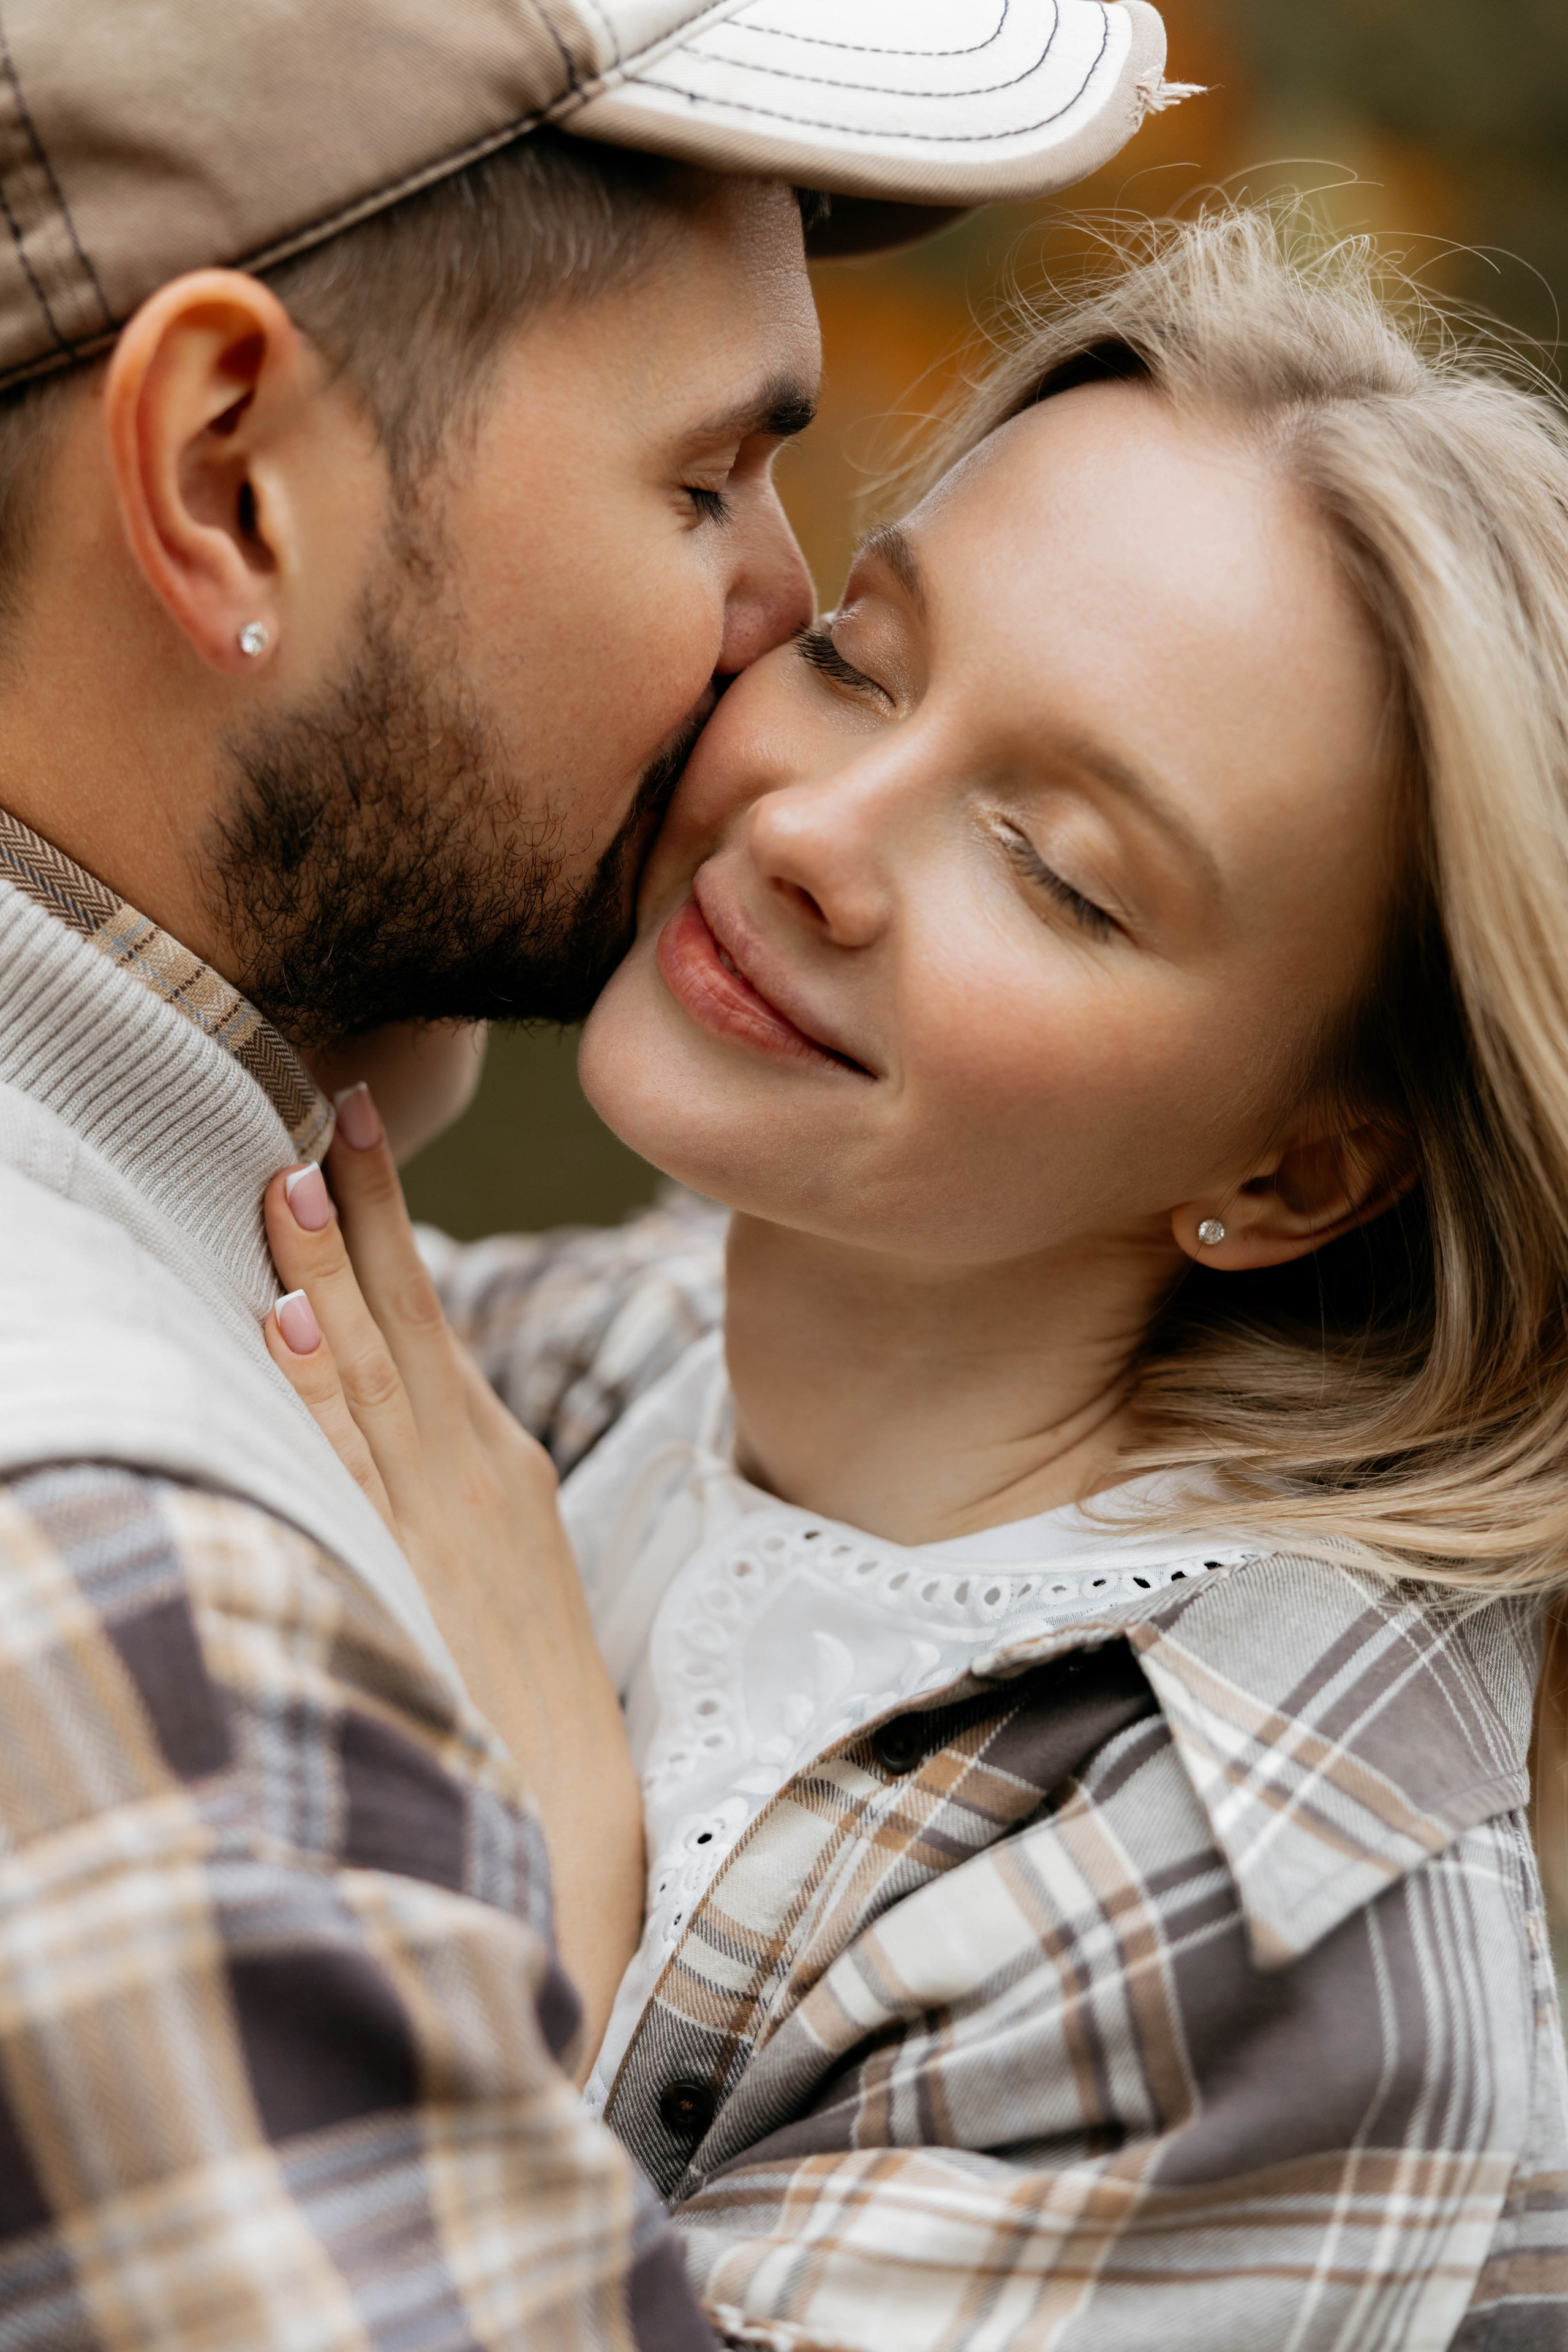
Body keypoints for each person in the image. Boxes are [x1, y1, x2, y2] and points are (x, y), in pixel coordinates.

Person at [267, 209, 1568, 2349]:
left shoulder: (1265, 1944)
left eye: (1058, 871)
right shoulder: (563, 1359)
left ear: (1292, 1168)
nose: (816, 830)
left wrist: (531, 1927)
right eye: (861, 659)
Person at [0, 1, 1183, 2342]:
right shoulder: (149, 1632)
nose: (777, 618)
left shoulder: (322, 1317)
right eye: (707, 479)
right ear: (228, 479)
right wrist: (548, 1935)